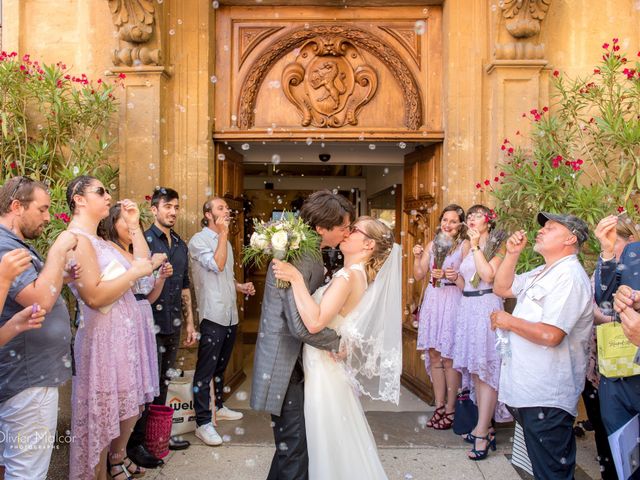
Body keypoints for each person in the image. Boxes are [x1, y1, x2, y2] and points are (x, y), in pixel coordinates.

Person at [272, 216, 401, 479]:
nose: (346, 232)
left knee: (325, 440)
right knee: (334, 440)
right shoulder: (360, 276)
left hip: (322, 370)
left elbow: (316, 321)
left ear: (368, 244)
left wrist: (296, 279)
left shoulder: (347, 277)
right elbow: (350, 325)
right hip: (326, 365)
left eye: (354, 230)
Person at [250, 190, 354, 480]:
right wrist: (336, 341)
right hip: (284, 365)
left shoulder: (309, 253)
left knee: (292, 446)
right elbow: (298, 324)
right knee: (294, 449)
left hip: (296, 363)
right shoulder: (299, 257)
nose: (347, 232)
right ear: (322, 228)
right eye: (343, 227)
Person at [66, 176, 157, 479]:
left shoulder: (101, 242)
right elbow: (93, 296)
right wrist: (133, 275)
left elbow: (144, 269)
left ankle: (112, 464)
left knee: (126, 411)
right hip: (102, 340)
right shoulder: (76, 240)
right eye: (101, 191)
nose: (109, 196)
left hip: (121, 340)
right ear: (79, 198)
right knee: (101, 421)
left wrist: (133, 226)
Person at [492, 212, 593, 480]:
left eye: (550, 227)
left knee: (552, 474)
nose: (541, 231)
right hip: (527, 390)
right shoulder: (545, 270)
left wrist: (508, 321)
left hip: (547, 396)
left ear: (570, 238)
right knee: (540, 471)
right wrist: (511, 253)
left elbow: (551, 336)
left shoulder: (570, 276)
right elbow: (502, 288)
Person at [0, 176, 78, 480]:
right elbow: (37, 301)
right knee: (27, 471)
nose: (47, 217)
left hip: (29, 373)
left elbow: (37, 288)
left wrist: (61, 278)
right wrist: (58, 251)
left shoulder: (15, 245)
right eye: (43, 209)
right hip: (26, 376)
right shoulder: (6, 247)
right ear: (17, 206)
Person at [99, 204, 169, 469]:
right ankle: (117, 457)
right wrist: (152, 263)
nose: (131, 227)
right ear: (110, 224)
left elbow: (149, 296)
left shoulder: (131, 252)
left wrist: (159, 279)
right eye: (124, 221)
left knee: (139, 394)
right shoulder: (108, 251)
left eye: (134, 222)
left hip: (141, 319)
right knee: (124, 394)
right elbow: (139, 268)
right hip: (121, 323)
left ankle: (123, 454)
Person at [189, 197, 256, 446]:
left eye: (227, 208)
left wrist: (240, 286)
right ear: (208, 214)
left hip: (229, 314)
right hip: (212, 315)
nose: (227, 211)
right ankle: (203, 423)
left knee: (221, 368)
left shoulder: (224, 241)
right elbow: (217, 265)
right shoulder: (198, 241)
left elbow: (224, 276)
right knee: (205, 370)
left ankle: (219, 406)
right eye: (220, 208)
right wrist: (224, 233)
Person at [451, 204, 509, 460]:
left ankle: (483, 430)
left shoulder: (498, 246)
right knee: (475, 370)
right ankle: (484, 424)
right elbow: (467, 283)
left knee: (487, 368)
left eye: (478, 215)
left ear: (489, 221)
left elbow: (488, 275)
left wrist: (475, 246)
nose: (473, 219)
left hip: (487, 306)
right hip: (468, 307)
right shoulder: (466, 247)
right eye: (470, 215)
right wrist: (455, 278)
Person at [144, 187, 197, 451]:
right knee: (148, 383)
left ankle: (159, 436)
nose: (173, 212)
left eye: (176, 207)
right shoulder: (144, 241)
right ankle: (141, 440)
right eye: (167, 206)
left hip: (174, 322)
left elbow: (185, 286)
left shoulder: (180, 244)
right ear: (154, 209)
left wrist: (189, 323)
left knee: (165, 380)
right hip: (148, 324)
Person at [583, 218, 635, 479]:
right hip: (603, 360)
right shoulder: (607, 264)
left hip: (630, 364)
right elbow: (601, 300)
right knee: (609, 434)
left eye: (618, 242)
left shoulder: (634, 263)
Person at [412, 204, 468, 430]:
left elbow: (472, 282)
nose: (448, 224)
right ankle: (439, 405)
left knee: (448, 357)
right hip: (433, 300)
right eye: (445, 220)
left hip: (453, 299)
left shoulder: (464, 246)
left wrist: (453, 276)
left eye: (453, 221)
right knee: (434, 354)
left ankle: (452, 408)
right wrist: (417, 257)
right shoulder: (433, 244)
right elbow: (418, 275)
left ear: (461, 224)